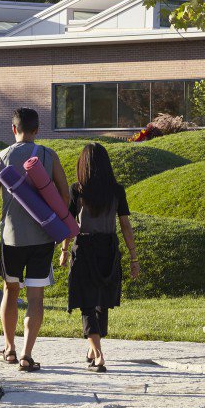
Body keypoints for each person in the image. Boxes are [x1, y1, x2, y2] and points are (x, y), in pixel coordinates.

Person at [0, 108, 69, 372]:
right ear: (37, 129)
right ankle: (27, 355)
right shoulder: (48, 155)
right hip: (43, 236)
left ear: (13, 129)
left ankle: (9, 349)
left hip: (11, 237)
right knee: (36, 297)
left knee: (10, 290)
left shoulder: (1, 157)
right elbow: (65, 196)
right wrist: (59, 226)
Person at [60, 143, 140, 372]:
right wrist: (134, 258)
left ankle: (98, 355)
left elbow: (68, 222)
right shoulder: (117, 190)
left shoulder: (78, 189)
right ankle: (92, 348)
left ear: (83, 164)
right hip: (109, 248)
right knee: (101, 301)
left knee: (87, 302)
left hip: (85, 247)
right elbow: (125, 225)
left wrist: (64, 250)